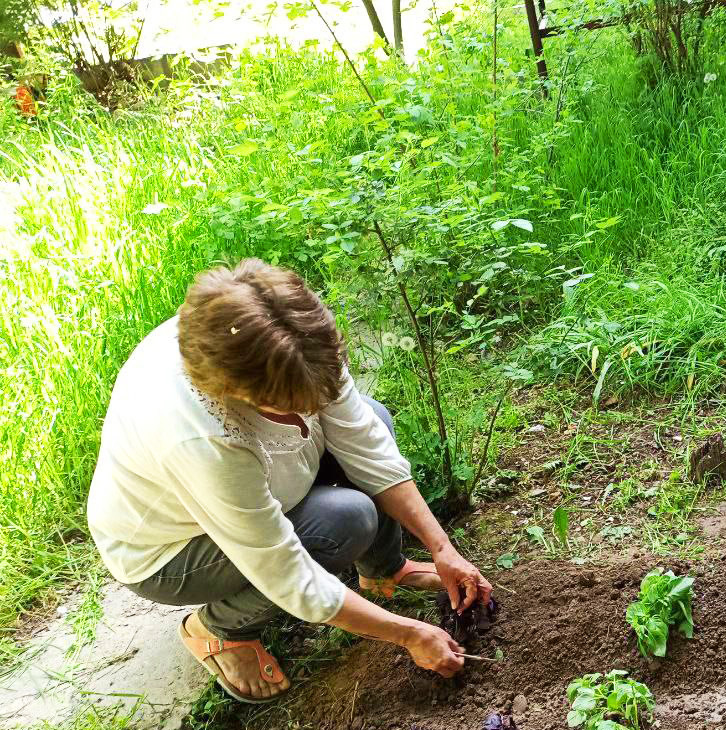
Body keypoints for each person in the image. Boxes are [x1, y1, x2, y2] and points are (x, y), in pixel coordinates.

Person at [87, 258, 491, 703]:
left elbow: (365, 443)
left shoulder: (292, 341)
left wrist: (442, 548)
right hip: (174, 550)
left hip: (261, 483)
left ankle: (383, 572)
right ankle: (219, 630)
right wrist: (408, 634)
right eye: (290, 407)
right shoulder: (200, 435)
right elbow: (286, 572)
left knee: (374, 416)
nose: (308, 415)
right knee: (344, 521)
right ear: (236, 394)